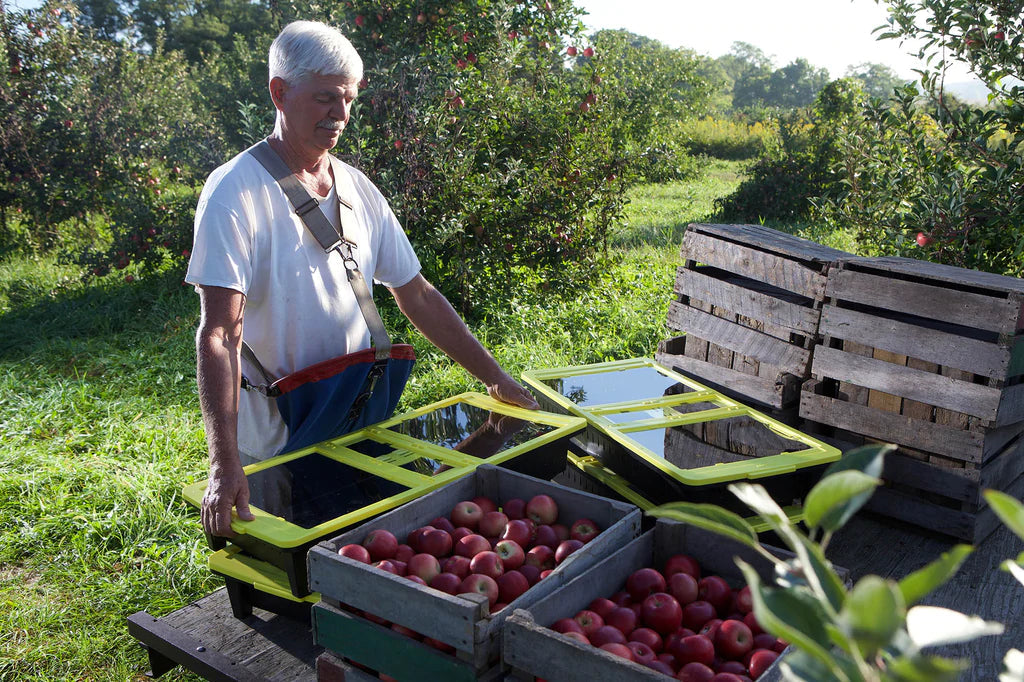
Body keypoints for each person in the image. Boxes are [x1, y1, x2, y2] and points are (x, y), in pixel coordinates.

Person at [185, 20, 538, 539]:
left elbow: (415, 293)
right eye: (326, 97)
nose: (341, 115)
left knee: (370, 559)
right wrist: (224, 462)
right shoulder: (234, 194)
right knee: (300, 580)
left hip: (360, 423)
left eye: (349, 99)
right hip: (281, 439)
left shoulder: (356, 187)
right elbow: (219, 334)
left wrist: (495, 378)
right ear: (279, 93)